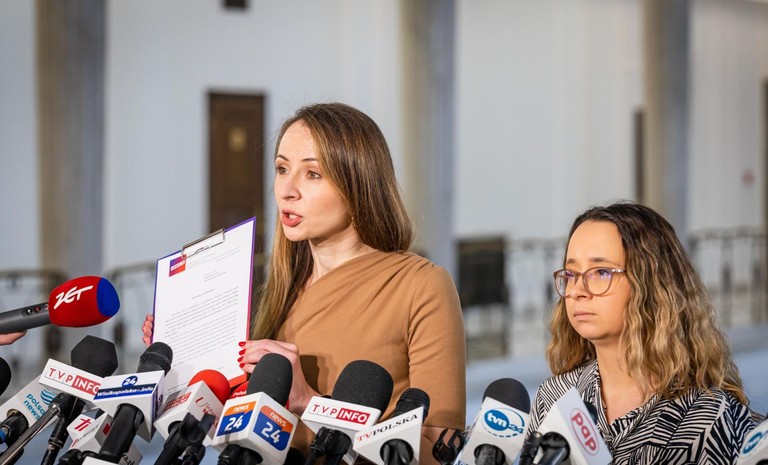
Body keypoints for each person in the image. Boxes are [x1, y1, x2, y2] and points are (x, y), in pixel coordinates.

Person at [143, 102, 466, 463]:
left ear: (358, 184)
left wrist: (308, 401)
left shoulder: (421, 285)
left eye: (313, 174)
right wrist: (181, 364)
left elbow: (438, 450)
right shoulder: (278, 291)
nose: (287, 190)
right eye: (282, 169)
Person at [526, 202, 756, 464]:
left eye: (601, 272)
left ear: (651, 284)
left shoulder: (707, 416)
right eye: (571, 273)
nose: (577, 290)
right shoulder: (555, 395)